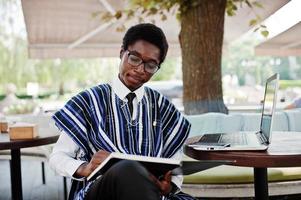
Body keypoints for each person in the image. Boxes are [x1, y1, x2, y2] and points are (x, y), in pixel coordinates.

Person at [49, 23, 195, 200]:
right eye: (134, 58)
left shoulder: (163, 108)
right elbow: (57, 157)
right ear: (121, 53)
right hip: (101, 192)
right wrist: (84, 168)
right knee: (127, 168)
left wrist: (169, 186)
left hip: (151, 194)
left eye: (151, 65)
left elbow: (174, 166)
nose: (140, 69)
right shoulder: (88, 101)